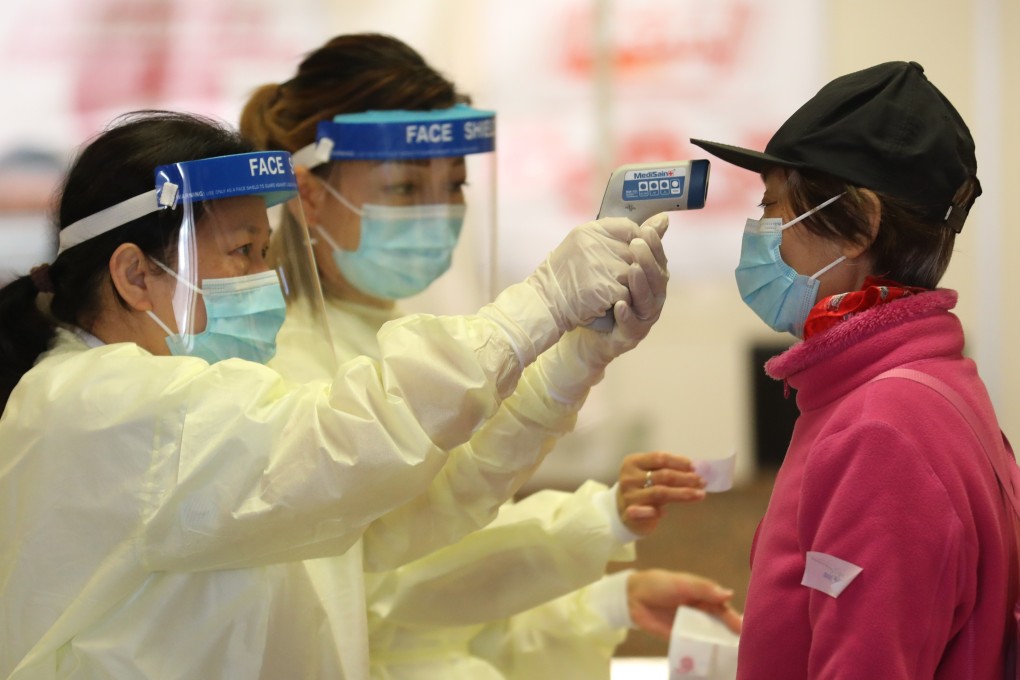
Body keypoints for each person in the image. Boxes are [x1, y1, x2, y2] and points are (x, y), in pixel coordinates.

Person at [0, 110, 660, 678]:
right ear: (135, 275)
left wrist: (574, 359)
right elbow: (348, 441)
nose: (265, 279)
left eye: (265, 251)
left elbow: (398, 509)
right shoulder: (98, 405)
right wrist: (537, 309)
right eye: (241, 251)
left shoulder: (181, 401)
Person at [240, 32, 741, 680]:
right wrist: (593, 523)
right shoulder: (276, 365)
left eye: (454, 184)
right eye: (404, 187)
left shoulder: (389, 330)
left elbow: (439, 527)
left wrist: (577, 363)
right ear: (309, 194)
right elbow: (391, 578)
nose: (437, 213)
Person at [690, 60, 1018, 679]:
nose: (760, 232)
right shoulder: (924, 386)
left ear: (858, 227)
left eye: (773, 206)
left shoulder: (881, 431)